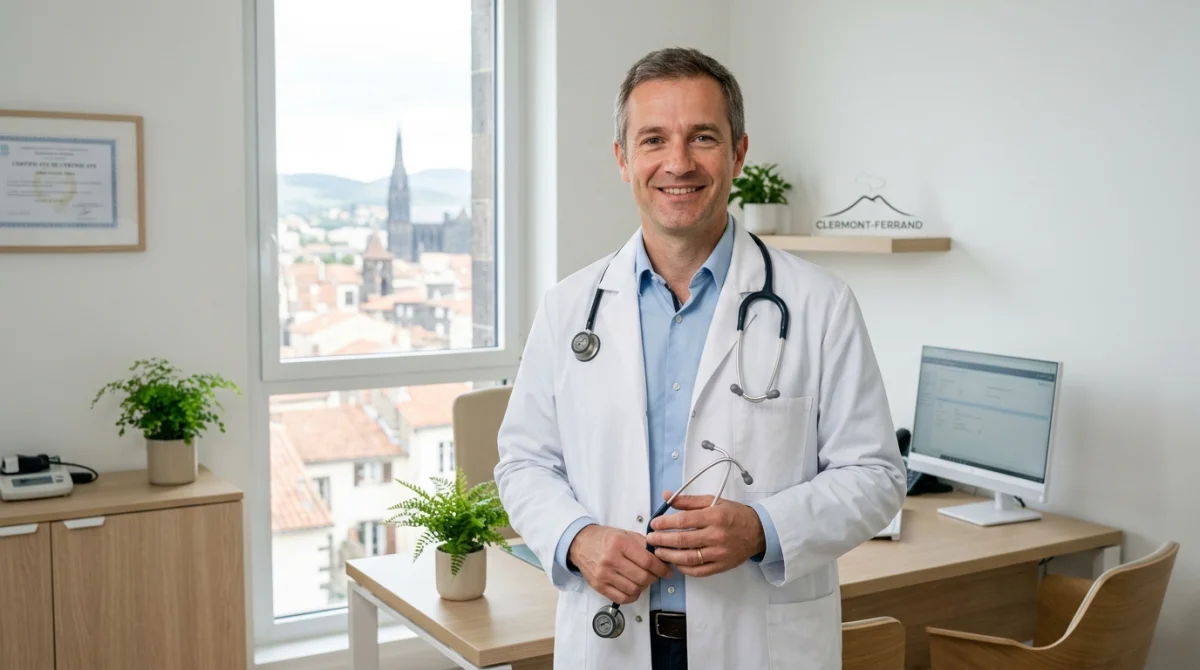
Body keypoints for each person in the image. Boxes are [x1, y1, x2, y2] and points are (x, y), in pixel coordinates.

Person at [494, 46, 906, 670]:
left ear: (738, 153)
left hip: (759, 641)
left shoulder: (821, 305)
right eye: (654, 139)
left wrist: (764, 528)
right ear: (623, 159)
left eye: (703, 137)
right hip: (613, 637)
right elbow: (523, 463)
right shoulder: (568, 307)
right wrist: (577, 539)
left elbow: (876, 476)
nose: (678, 163)